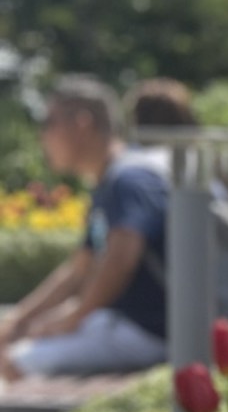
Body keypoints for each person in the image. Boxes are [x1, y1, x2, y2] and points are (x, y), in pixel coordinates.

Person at [0, 76, 171, 379]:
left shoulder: (128, 180)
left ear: (81, 123)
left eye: (48, 122)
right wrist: (17, 322)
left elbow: (121, 260)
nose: (42, 136)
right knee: (15, 346)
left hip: (151, 332)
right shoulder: (109, 182)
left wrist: (74, 318)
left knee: (15, 362)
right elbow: (78, 270)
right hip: (124, 325)